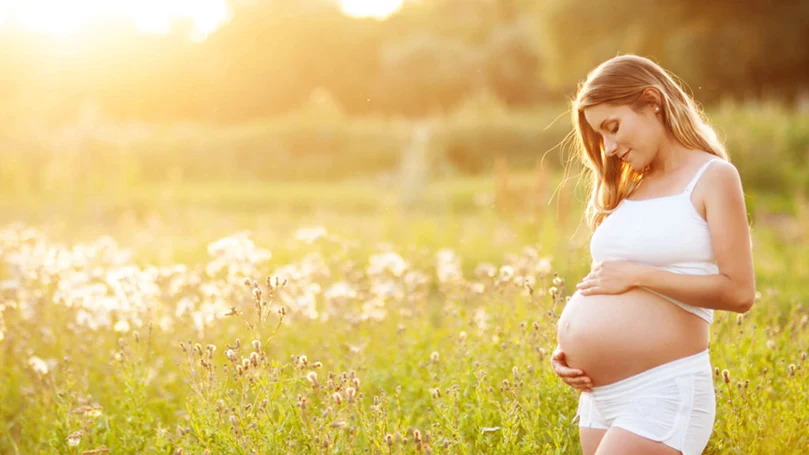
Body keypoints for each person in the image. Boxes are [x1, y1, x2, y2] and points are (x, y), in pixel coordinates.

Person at [550, 54, 756, 455]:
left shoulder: (713, 177)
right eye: (600, 137)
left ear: (652, 101)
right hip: (599, 399)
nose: (608, 148)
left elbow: (739, 293)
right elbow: (607, 282)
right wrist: (568, 353)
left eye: (613, 127)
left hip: (661, 391)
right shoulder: (628, 189)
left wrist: (639, 275)